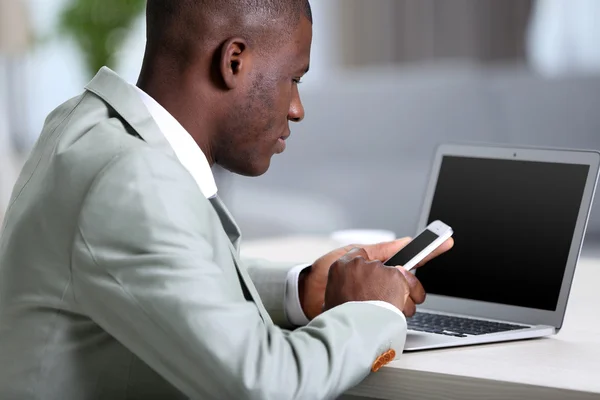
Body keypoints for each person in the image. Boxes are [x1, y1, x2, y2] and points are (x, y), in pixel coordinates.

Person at [0, 1, 453, 399]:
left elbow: (165, 268)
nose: (297, 108)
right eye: (293, 78)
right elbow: (264, 386)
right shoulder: (135, 180)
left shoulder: (87, 124)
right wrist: (372, 309)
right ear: (234, 60)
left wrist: (302, 288)